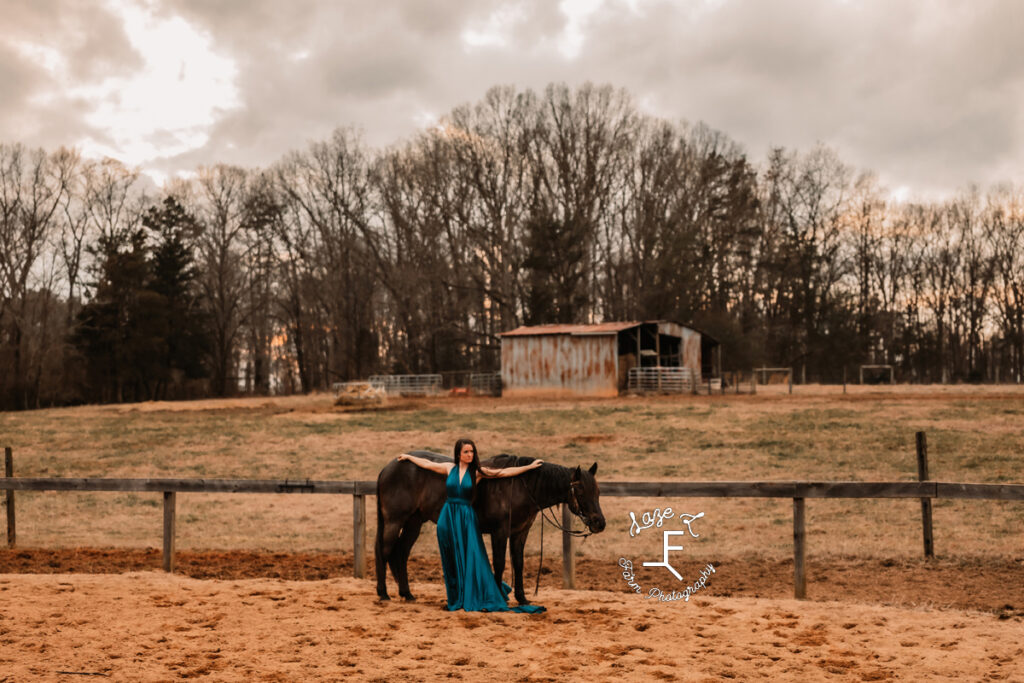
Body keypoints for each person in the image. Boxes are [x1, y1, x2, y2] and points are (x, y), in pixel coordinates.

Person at [397, 439, 546, 613]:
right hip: (448, 517)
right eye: (466, 452)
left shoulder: (477, 472)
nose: (470, 455)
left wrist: (528, 467)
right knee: (451, 559)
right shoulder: (449, 468)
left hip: (466, 518)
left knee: (473, 557)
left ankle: (476, 594)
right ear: (458, 454)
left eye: (472, 452)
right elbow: (427, 464)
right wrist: (409, 456)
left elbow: (504, 473)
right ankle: (456, 597)